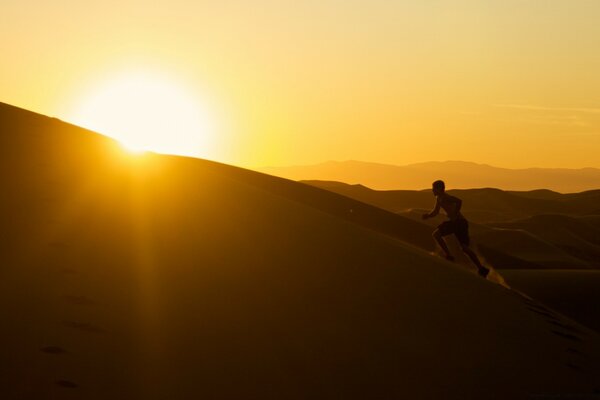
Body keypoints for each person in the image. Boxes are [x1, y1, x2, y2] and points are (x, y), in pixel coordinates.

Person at [422, 180, 489, 278]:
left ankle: (449, 256)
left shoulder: (445, 197)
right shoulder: (439, 198)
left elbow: (459, 201)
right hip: (461, 223)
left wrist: (455, 213)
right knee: (465, 248)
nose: (432, 191)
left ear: (439, 189)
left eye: (434, 189)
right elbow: (436, 212)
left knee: (436, 234)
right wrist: (428, 216)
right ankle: (481, 268)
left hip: (457, 222)